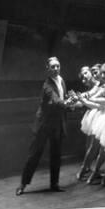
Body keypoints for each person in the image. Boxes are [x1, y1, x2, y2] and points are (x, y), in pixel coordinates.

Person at [16, 57, 69, 196]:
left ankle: (54, 184)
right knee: (34, 154)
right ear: (47, 69)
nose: (56, 69)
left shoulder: (62, 80)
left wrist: (69, 103)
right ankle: (23, 184)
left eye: (58, 66)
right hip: (44, 124)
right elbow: (56, 100)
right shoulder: (47, 84)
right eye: (53, 67)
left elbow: (62, 101)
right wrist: (68, 103)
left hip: (57, 124)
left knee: (56, 154)